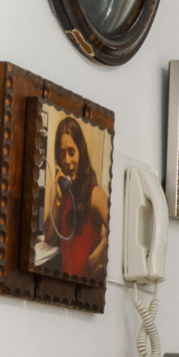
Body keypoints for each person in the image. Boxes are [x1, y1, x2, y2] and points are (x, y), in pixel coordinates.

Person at [37, 113, 107, 281]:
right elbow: (51, 238)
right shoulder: (65, 195)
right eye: (62, 154)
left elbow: (118, 227)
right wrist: (58, 200)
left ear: (81, 153)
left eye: (71, 152)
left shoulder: (95, 194)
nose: (67, 161)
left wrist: (96, 257)